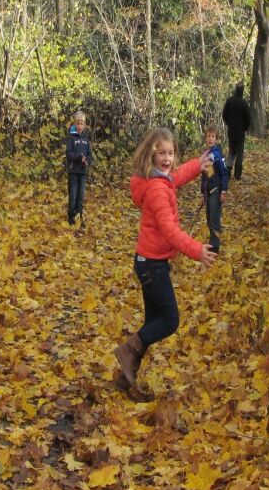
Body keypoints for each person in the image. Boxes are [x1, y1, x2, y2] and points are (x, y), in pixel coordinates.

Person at [114, 127, 218, 399]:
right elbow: (171, 231)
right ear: (152, 153)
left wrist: (198, 164)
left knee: (152, 323)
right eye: (162, 153)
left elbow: (176, 176)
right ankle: (127, 353)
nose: (167, 158)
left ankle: (126, 380)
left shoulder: (159, 179)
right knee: (169, 320)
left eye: (171, 153)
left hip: (149, 262)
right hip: (152, 265)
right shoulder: (157, 189)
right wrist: (197, 251)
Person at [200, 126, 230, 253]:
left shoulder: (218, 155)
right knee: (208, 217)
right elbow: (204, 176)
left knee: (214, 217)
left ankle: (215, 246)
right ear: (205, 138)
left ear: (216, 139)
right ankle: (213, 241)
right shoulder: (205, 155)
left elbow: (225, 173)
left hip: (216, 191)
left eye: (213, 136)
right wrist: (202, 193)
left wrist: (224, 191)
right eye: (208, 136)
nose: (210, 139)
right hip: (208, 191)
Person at [65, 111, 91, 226]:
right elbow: (68, 154)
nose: (80, 126)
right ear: (75, 124)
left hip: (82, 172)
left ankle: (79, 216)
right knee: (73, 195)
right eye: (78, 123)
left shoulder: (86, 140)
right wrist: (78, 157)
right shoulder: (71, 138)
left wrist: (87, 161)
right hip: (73, 171)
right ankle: (71, 217)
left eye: (82, 124)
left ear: (84, 125)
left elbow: (90, 155)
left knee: (81, 196)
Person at [221, 83, 252, 181]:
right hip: (240, 133)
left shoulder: (229, 101)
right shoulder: (244, 103)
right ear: (242, 91)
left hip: (231, 131)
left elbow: (224, 115)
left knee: (231, 152)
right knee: (239, 155)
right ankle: (237, 175)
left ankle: (228, 172)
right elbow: (248, 119)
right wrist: (245, 128)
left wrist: (229, 124)